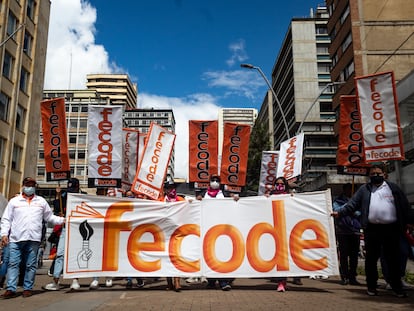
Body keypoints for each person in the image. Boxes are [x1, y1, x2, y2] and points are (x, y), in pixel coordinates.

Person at [332, 164, 412, 298]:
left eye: (378, 173)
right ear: (369, 176)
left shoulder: (394, 188)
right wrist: (339, 213)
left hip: (391, 229)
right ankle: (371, 287)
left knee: (393, 259)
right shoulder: (364, 189)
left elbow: (405, 205)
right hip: (372, 229)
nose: (376, 176)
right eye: (373, 174)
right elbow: (352, 204)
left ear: (384, 174)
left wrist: (410, 221)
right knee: (371, 260)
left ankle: (397, 287)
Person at [0, 177, 65, 298]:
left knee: (31, 264)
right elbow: (6, 219)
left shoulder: (41, 201)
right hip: (16, 238)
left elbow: (50, 217)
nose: (30, 187)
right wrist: (4, 234)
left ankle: (27, 288)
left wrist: (63, 220)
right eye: (28, 184)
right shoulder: (14, 201)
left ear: (35, 187)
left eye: (32, 185)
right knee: (13, 263)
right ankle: (11, 288)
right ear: (23, 186)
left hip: (33, 239)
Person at [44, 178, 84, 291]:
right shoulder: (63, 196)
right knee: (60, 254)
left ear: (77, 187)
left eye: (73, 188)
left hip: (78, 230)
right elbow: (56, 209)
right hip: (65, 229)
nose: (71, 191)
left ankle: (75, 280)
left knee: (76, 254)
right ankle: (56, 280)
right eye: (69, 188)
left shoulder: (83, 196)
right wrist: (58, 196)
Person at [266, 177, 302, 291]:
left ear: (285, 185)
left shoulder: (289, 196)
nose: (279, 186)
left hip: (285, 230)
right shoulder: (270, 195)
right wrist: (265, 198)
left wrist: (293, 199)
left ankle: (282, 282)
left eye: (281, 184)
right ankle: (278, 279)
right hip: (272, 230)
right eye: (277, 184)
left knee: (283, 256)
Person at [197, 174, 232, 291]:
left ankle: (223, 282)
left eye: (217, 180)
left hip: (221, 229)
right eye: (213, 180)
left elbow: (233, 203)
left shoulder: (225, 194)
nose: (215, 182)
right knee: (209, 255)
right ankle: (211, 281)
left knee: (221, 255)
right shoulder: (203, 194)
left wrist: (235, 199)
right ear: (209, 182)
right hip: (206, 228)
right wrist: (198, 200)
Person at [332, 183, 362, 286]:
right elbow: (336, 211)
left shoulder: (359, 201)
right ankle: (344, 276)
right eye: (349, 189)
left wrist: (350, 209)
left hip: (355, 231)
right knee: (344, 255)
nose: (350, 192)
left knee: (354, 256)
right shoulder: (337, 201)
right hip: (343, 231)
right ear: (344, 190)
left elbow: (359, 213)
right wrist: (349, 205)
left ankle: (353, 276)